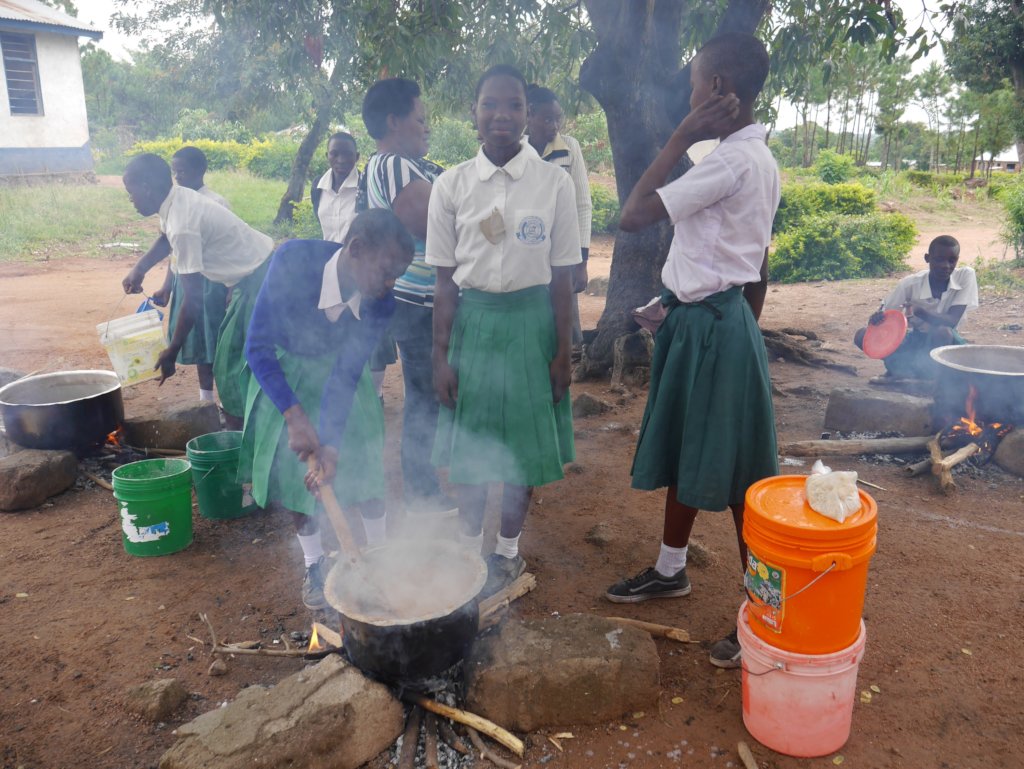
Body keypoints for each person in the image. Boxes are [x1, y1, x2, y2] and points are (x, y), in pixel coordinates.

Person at [603, 33, 780, 670]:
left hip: (712, 331)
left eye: (692, 84)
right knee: (685, 446)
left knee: (741, 482)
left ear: (716, 91)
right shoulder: (756, 157)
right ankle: (670, 569)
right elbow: (752, 259)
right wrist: (686, 303)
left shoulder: (728, 162)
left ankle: (768, 613)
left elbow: (633, 213)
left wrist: (678, 137)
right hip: (706, 322)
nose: (687, 94)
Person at [427, 64, 581, 597]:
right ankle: (469, 550)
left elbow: (563, 277)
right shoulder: (451, 185)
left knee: (520, 451)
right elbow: (445, 282)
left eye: (514, 105)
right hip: (473, 325)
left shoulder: (553, 183)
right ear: (473, 113)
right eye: (490, 104)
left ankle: (507, 553)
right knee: (470, 452)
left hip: (531, 324)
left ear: (528, 114)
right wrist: (440, 356)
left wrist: (563, 352)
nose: (502, 115)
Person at [239, 209, 414, 609]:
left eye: (398, 275)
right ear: (355, 250)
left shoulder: (380, 303)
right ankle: (314, 563)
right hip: (284, 374)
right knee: (293, 472)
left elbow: (348, 372)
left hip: (338, 377)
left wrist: (330, 442)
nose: (390, 285)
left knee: (365, 461)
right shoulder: (292, 261)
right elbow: (258, 348)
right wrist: (294, 416)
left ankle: (380, 555)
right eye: (386, 272)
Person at [121, 153, 275, 426]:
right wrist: (140, 268)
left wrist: (172, 350)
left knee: (231, 366)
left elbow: (192, 301)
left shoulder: (183, 224)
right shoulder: (174, 200)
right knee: (235, 359)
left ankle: (243, 439)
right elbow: (164, 237)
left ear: (146, 187)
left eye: (130, 193)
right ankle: (246, 429)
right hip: (250, 278)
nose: (130, 200)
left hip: (258, 280)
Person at [360, 77, 455, 514]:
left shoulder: (405, 165)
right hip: (419, 302)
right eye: (421, 119)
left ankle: (426, 482)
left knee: (428, 393)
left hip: (420, 300)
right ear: (394, 122)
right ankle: (421, 491)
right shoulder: (394, 164)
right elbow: (431, 227)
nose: (427, 128)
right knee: (424, 395)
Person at [147, 146, 230, 404]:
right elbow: (176, 251)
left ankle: (228, 400)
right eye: (175, 171)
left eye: (183, 171)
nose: (178, 176)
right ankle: (206, 400)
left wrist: (230, 290)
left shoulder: (215, 202)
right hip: (187, 284)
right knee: (199, 344)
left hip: (212, 283)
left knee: (218, 342)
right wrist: (167, 287)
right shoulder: (174, 204)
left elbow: (228, 249)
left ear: (201, 170)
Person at [526, 85, 592, 355]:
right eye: (546, 119)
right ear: (528, 116)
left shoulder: (569, 148)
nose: (554, 126)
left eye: (557, 118)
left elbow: (582, 205)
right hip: (527, 253)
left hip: (562, 255)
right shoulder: (514, 150)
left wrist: (582, 262)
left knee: (564, 327)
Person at [854, 235, 976, 380]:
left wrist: (919, 311)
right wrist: (876, 319)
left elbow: (952, 321)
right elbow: (885, 319)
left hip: (946, 344)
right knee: (863, 334)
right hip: (915, 341)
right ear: (927, 258)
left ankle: (933, 380)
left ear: (957, 259)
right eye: (939, 259)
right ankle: (901, 370)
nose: (946, 265)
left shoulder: (965, 276)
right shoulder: (909, 284)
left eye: (952, 260)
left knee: (943, 332)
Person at [310, 132, 360, 243]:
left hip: (357, 258)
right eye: (334, 154)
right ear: (327, 155)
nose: (341, 160)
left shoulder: (365, 187)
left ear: (357, 157)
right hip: (329, 256)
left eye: (348, 154)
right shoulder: (318, 187)